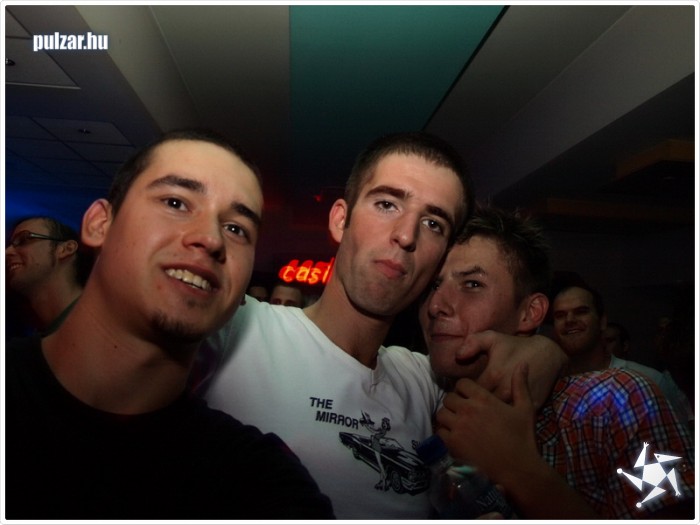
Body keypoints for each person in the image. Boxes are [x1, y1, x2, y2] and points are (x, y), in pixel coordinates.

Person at [200, 131, 568, 519]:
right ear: (340, 220)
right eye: (387, 204)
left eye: (433, 223)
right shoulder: (236, 330)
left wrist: (545, 350)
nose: (406, 234)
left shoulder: (423, 380)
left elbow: (531, 367)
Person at [5, 128, 334, 520]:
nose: (211, 239)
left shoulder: (255, 479)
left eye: (236, 229)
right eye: (176, 202)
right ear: (99, 224)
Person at [421, 205, 695, 519]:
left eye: (472, 284)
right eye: (433, 285)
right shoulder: (418, 400)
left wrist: (519, 470)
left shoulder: (618, 403)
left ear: (530, 313)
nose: (436, 305)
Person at [551, 283, 693, 426]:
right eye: (560, 315)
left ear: (602, 322)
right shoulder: (549, 385)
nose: (569, 320)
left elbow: (675, 438)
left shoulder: (649, 380)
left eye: (581, 312)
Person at [6, 216, 93, 337]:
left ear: (66, 249)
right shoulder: (32, 341)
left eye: (24, 239)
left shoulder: (104, 324)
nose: (7, 252)